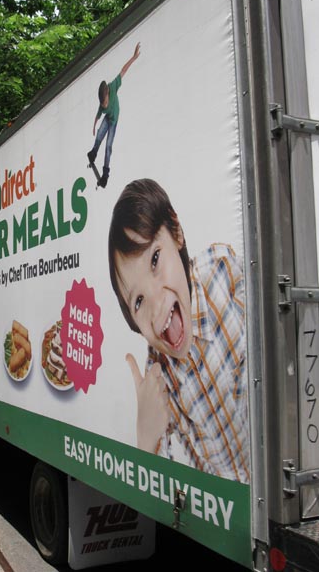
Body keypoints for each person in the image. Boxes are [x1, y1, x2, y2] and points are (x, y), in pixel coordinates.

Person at [108, 178, 249, 483]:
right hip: (224, 499)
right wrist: (145, 437)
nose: (156, 303)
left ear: (176, 231)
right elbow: (163, 485)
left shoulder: (222, 270)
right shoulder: (159, 378)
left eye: (155, 259)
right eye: (138, 301)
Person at [87, 42, 141, 189]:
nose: (104, 105)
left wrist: (134, 57)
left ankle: (106, 174)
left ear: (108, 95)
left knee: (108, 146)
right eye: (103, 104)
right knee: (99, 134)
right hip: (107, 119)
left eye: (105, 103)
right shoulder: (101, 105)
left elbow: (123, 71)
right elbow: (97, 116)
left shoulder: (113, 86)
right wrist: (94, 127)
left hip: (114, 121)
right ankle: (93, 152)